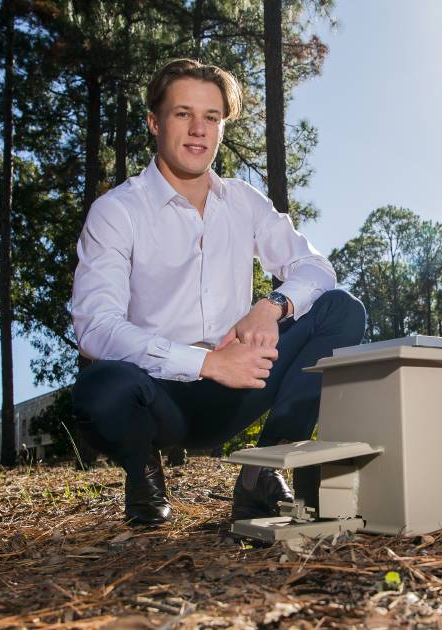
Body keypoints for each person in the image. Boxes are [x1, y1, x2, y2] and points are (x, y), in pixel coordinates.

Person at [69, 58, 366, 527]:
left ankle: (263, 470)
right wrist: (206, 364)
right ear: (154, 122)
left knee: (341, 311)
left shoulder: (244, 201)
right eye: (183, 113)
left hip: (241, 384)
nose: (197, 130)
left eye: (212, 118)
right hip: (160, 395)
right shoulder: (117, 211)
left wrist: (273, 306)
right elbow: (96, 327)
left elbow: (315, 266)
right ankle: (144, 470)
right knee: (100, 391)